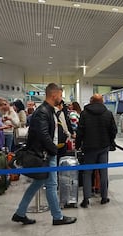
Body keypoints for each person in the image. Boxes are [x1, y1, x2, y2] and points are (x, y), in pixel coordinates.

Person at [12, 83, 77, 225]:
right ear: (54, 95)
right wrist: (54, 150)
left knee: (37, 184)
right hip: (45, 155)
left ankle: (20, 213)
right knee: (52, 185)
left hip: (45, 153)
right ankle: (57, 217)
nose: (61, 98)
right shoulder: (43, 112)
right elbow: (43, 135)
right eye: (60, 95)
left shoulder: (49, 110)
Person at [76, 94, 117, 208]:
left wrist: (78, 145)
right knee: (103, 172)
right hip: (103, 147)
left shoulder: (84, 114)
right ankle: (104, 197)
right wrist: (110, 141)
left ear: (91, 101)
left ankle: (86, 199)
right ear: (102, 101)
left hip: (89, 148)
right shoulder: (108, 113)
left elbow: (80, 131)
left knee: (87, 173)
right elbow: (114, 130)